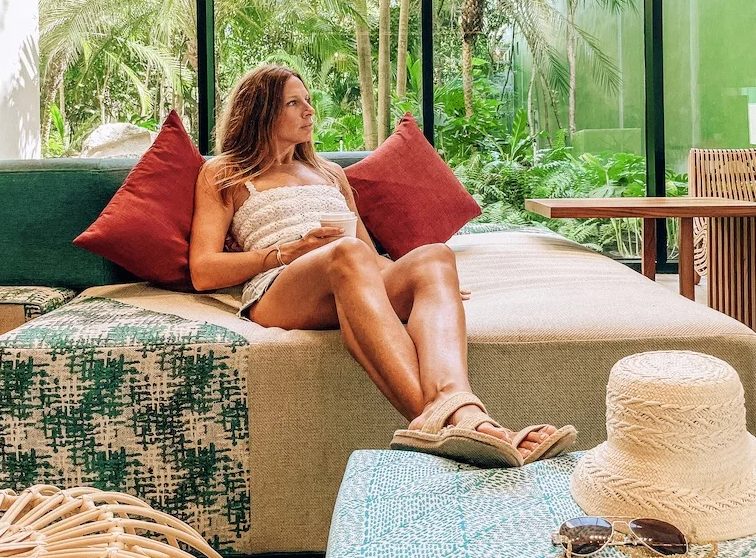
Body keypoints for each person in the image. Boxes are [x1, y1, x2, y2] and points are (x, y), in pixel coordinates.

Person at [189, 64, 576, 468]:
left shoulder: (330, 174)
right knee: (348, 252)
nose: (309, 111)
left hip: (350, 278)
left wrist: (426, 285)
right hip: (278, 289)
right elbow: (203, 270)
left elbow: (369, 255)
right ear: (261, 111)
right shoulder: (224, 173)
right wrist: (289, 251)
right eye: (294, 103)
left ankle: (462, 414)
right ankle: (446, 423)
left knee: (434, 256)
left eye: (308, 101)